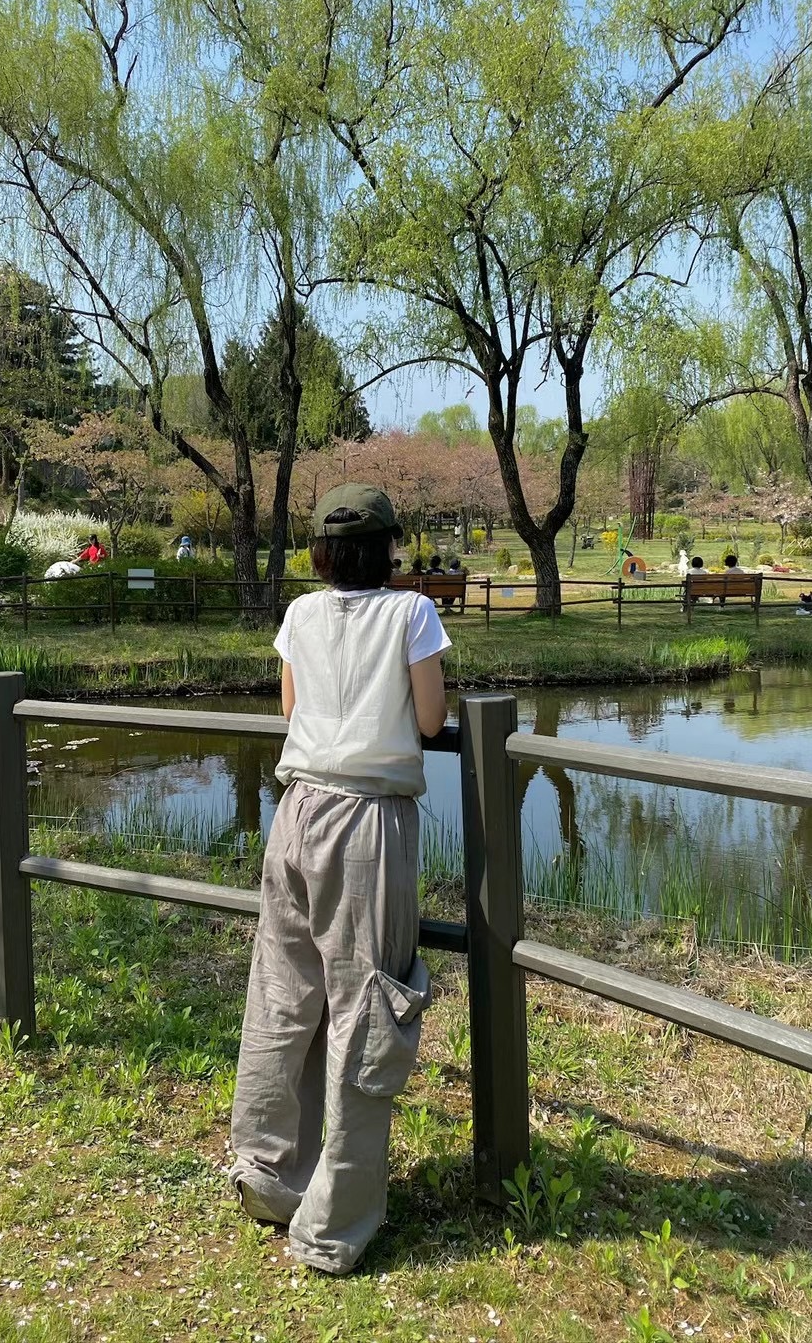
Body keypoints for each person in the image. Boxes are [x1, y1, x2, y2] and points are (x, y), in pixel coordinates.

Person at [229, 483, 451, 1276]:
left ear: (320, 552)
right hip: (367, 823)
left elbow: (294, 711)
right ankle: (333, 1226)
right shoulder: (411, 613)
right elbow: (429, 721)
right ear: (389, 547)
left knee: (283, 997)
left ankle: (268, 1173)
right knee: (366, 1011)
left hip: (296, 812)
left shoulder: (299, 616)